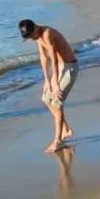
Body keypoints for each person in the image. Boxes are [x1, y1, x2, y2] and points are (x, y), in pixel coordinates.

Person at [18, 19, 79, 153]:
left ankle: (58, 141)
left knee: (56, 101)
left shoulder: (47, 33)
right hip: (61, 68)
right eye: (29, 37)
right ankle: (66, 129)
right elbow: (44, 58)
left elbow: (53, 58)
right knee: (46, 98)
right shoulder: (38, 37)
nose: (32, 39)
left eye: (32, 35)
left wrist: (55, 82)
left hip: (70, 67)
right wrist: (47, 80)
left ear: (35, 28)